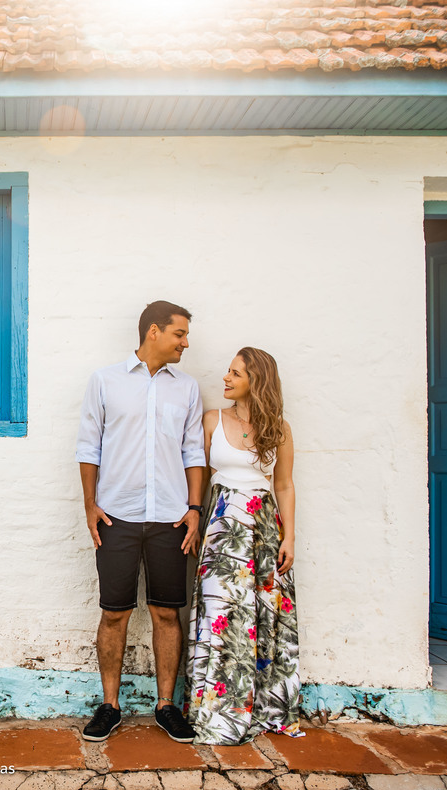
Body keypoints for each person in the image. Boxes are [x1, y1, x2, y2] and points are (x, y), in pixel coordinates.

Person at [76, 300, 206, 743]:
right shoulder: (105, 381)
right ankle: (109, 706)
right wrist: (90, 503)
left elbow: (194, 452)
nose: (186, 342)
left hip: (171, 519)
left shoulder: (187, 388)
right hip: (117, 516)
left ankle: (166, 706)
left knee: (167, 613)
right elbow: (88, 446)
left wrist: (194, 508)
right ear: (154, 331)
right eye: (180, 334)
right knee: (115, 615)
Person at [185, 347, 301, 745]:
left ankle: (259, 707)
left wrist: (289, 536)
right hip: (220, 529)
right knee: (220, 616)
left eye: (235, 373)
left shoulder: (279, 429)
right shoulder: (212, 420)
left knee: (259, 618)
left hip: (262, 533)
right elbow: (197, 472)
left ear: (257, 381)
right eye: (228, 372)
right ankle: (217, 713)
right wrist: (195, 514)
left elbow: (283, 484)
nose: (226, 379)